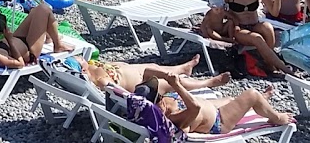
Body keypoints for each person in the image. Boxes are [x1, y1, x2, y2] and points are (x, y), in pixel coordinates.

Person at [191, 0, 289, 74]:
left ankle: (269, 62)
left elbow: (274, 13)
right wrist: (207, 27)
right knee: (257, 38)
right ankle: (284, 69)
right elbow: (218, 13)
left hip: (255, 24)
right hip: (239, 29)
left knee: (267, 27)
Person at [157, 75, 294, 135]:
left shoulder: (164, 101)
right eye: (156, 100)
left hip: (210, 107)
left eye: (156, 97)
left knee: (230, 100)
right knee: (252, 94)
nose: (159, 99)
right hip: (219, 121)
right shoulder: (173, 118)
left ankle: (259, 102)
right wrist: (176, 85)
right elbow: (195, 108)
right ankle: (276, 117)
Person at [82, 54, 232, 97]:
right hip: (142, 87)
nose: (81, 59)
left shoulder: (90, 65)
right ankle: (209, 82)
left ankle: (182, 68)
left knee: (153, 67)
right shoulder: (99, 80)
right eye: (79, 61)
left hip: (141, 73)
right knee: (172, 83)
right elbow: (117, 92)